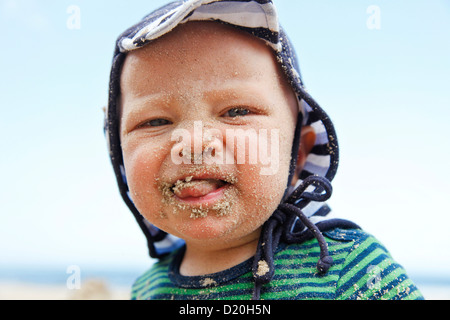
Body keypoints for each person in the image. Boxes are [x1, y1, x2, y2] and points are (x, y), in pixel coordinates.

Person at [104, 0, 423, 300]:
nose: (193, 142)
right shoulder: (146, 288)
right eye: (154, 121)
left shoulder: (350, 266)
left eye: (236, 112)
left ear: (297, 154)